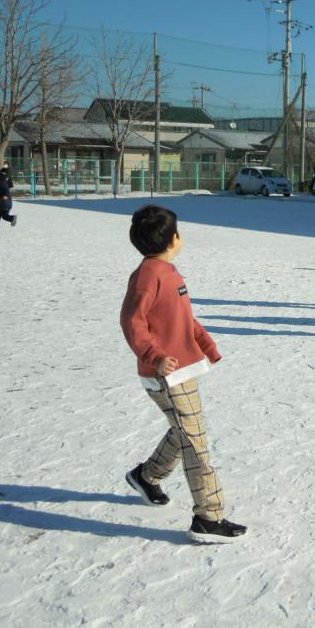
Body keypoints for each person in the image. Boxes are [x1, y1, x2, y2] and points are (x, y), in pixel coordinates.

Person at [119, 205, 246, 543]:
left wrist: (205, 344)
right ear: (173, 238)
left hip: (183, 367)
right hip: (165, 373)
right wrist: (154, 356)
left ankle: (147, 476)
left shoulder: (169, 272)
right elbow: (132, 322)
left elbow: (183, 318)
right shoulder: (147, 276)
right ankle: (209, 516)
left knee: (185, 430)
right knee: (195, 441)